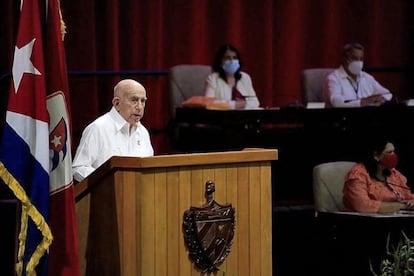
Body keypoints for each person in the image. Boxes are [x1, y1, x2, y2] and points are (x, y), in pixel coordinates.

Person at [72, 79, 154, 182]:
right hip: (106, 195)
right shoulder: (98, 128)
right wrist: (109, 181)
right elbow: (78, 168)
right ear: (117, 103)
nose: (140, 107)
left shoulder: (143, 132)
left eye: (143, 101)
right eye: (134, 100)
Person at [343, 137, 414, 213]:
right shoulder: (358, 175)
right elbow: (363, 205)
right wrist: (402, 206)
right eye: (389, 152)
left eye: (393, 152)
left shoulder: (393, 174)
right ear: (376, 155)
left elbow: (408, 196)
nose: (394, 155)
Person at [323, 42, 393, 108]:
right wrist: (361, 102)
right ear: (345, 59)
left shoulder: (367, 77)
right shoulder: (333, 78)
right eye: (355, 58)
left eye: (361, 59)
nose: (359, 62)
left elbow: (388, 94)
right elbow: (336, 102)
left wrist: (381, 98)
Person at [204, 44, 260, 109]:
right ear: (220, 62)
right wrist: (234, 105)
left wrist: (244, 104)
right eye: (227, 58)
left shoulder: (245, 77)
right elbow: (208, 103)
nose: (232, 61)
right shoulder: (212, 78)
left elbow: (255, 102)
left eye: (235, 58)